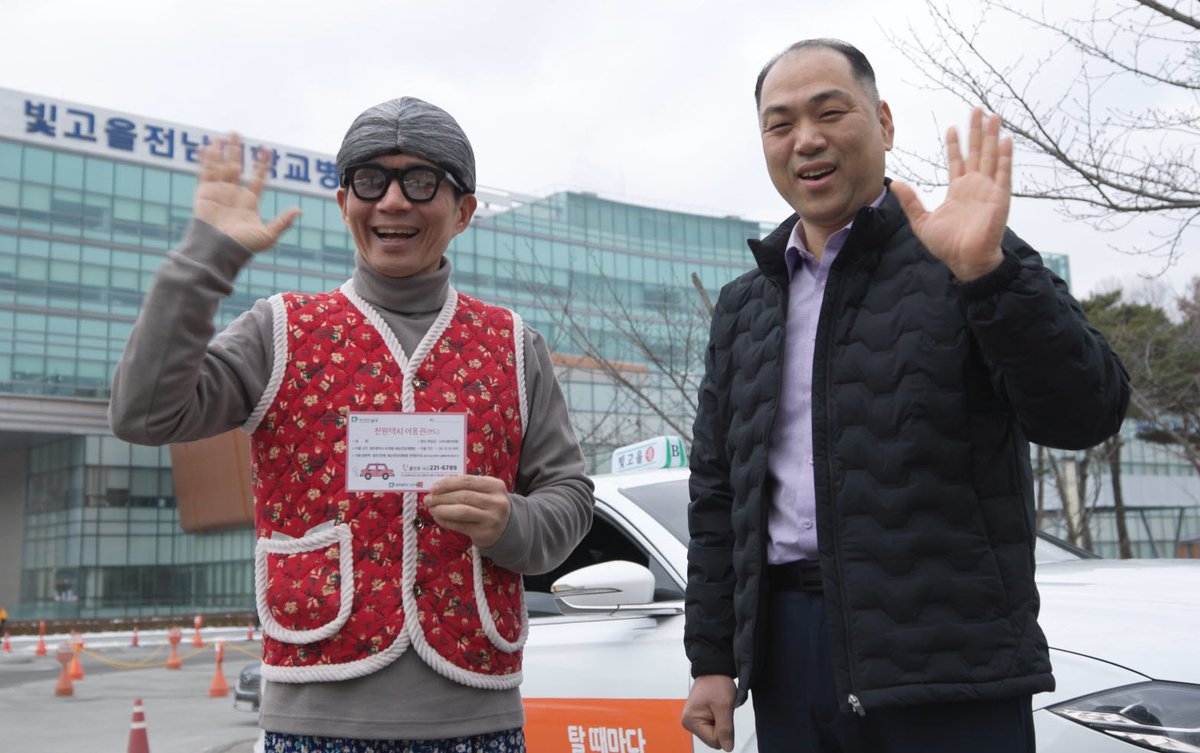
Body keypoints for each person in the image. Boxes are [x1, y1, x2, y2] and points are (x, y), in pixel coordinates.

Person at [681, 39, 1130, 753]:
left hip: (952, 659)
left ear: (884, 123)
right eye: (780, 124)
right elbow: (717, 496)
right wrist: (711, 658)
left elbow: (1086, 412)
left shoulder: (963, 251)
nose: (806, 140)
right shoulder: (744, 306)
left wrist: (990, 275)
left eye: (830, 112)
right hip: (789, 657)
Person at [109, 97, 594, 753]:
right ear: (344, 204)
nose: (392, 200)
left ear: (464, 211)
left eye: (420, 181)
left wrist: (513, 521)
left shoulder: (512, 344)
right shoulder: (279, 331)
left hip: (477, 714)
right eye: (371, 181)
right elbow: (142, 414)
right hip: (314, 717)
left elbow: (570, 495)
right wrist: (205, 260)